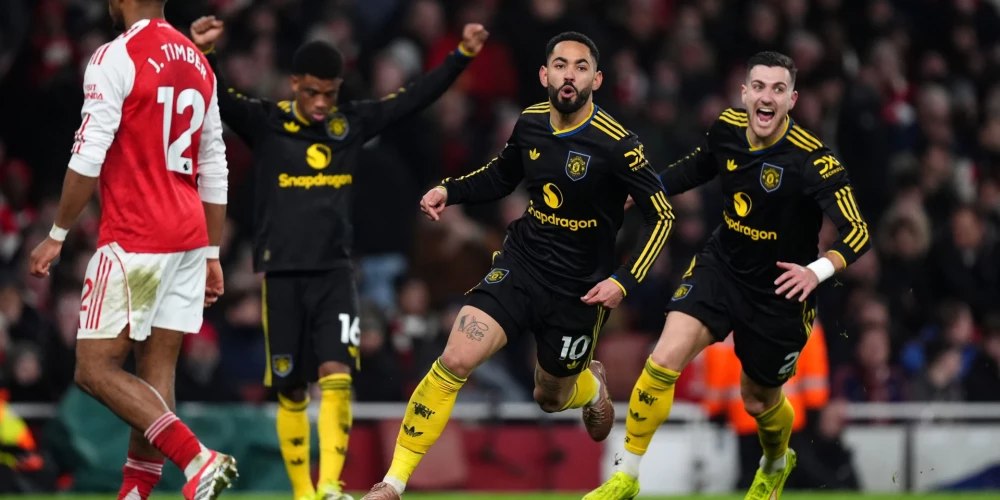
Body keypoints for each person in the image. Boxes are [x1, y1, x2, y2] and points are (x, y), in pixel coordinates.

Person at [361, 31, 674, 500]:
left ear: (597, 79)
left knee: (549, 397)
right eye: (561, 65)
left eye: (581, 67)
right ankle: (393, 483)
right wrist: (451, 190)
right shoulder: (530, 122)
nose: (570, 75)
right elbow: (502, 176)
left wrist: (624, 282)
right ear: (545, 74)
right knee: (455, 357)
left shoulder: (618, 144)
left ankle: (591, 388)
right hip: (521, 264)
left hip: (579, 289)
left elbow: (662, 216)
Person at [188, 16, 488, 500]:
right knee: (290, 388)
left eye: (329, 94)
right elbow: (219, 96)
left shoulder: (350, 125)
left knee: (337, 375)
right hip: (281, 275)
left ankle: (330, 486)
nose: (321, 103)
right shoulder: (267, 122)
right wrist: (207, 53)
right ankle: (302, 493)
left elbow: (412, 98)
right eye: (312, 93)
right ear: (294, 85)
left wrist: (461, 56)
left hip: (334, 274)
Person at [585, 51, 872, 500]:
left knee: (758, 400)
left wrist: (815, 272)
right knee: (663, 360)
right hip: (721, 268)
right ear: (744, 93)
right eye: (758, 87)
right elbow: (697, 167)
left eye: (778, 89)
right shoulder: (727, 128)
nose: (766, 97)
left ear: (792, 100)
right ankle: (627, 475)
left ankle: (775, 462)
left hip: (780, 291)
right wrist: (645, 190)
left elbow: (858, 232)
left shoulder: (812, 159)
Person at [28, 1, 235, 500]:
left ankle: (198, 458)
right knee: (155, 373)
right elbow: (214, 162)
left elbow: (88, 153)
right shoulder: (197, 61)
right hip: (188, 236)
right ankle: (136, 492)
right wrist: (211, 252)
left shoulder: (114, 56)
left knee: (93, 368)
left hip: (137, 237)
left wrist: (57, 233)